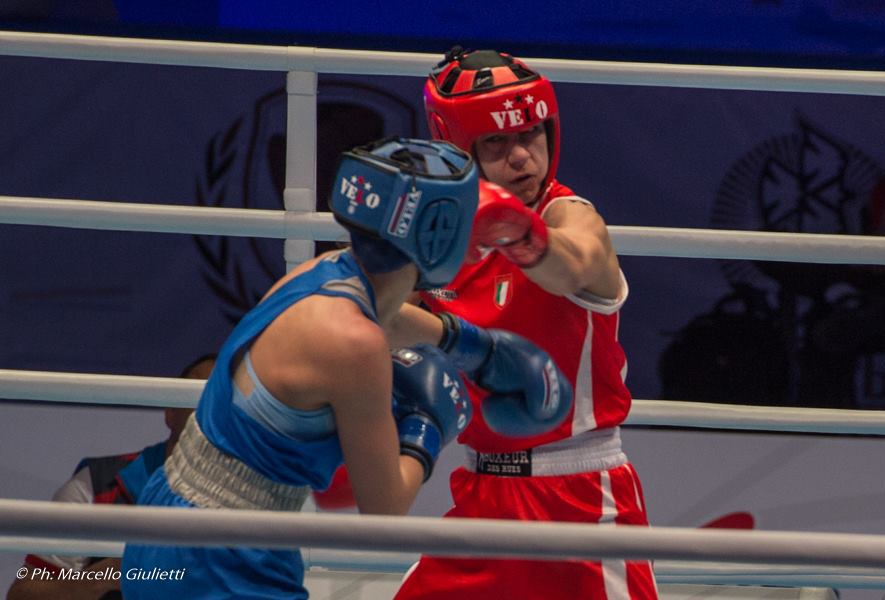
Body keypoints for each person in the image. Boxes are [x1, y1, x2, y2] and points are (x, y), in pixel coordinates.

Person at [120, 137, 573, 599]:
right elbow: (384, 514)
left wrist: (475, 346)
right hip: (222, 559)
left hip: (171, 518)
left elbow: (391, 316)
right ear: (437, 235)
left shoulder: (324, 271)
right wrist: (429, 426)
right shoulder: (356, 346)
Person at [391, 48, 659, 599]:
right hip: (481, 494)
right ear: (456, 147)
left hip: (582, 502)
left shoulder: (569, 215)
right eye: (496, 142)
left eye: (531, 135)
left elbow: (576, 266)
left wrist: (512, 230)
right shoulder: (437, 240)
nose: (521, 158)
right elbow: (386, 322)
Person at [6, 355, 215, 600]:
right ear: (170, 410)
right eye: (197, 392)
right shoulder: (97, 484)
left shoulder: (262, 494)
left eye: (222, 398)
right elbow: (23, 594)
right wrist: (88, 583)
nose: (208, 406)